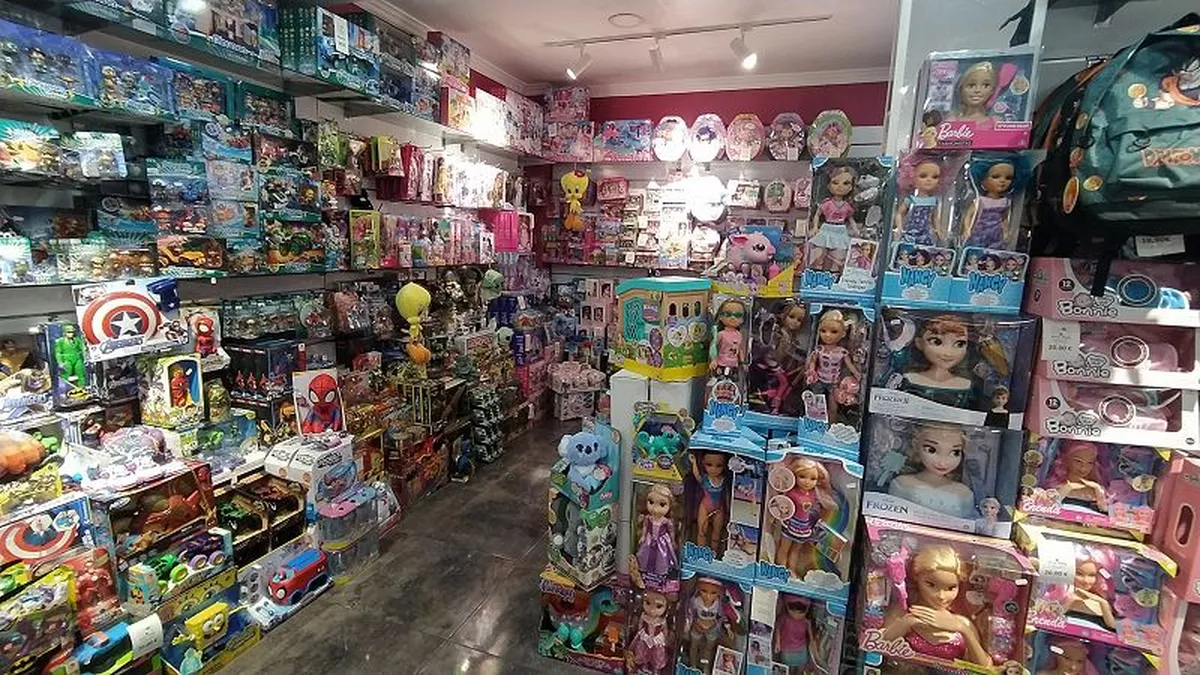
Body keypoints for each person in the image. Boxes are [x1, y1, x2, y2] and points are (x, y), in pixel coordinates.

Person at [882, 545, 990, 666]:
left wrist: (963, 629)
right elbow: (876, 647)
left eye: (951, 588)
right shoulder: (901, 613)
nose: (941, 596)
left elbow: (984, 667)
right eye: (931, 585)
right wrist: (908, 622)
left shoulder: (964, 623)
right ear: (916, 577)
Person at [888, 424, 976, 519]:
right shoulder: (902, 484)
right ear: (916, 446)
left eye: (955, 452)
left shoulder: (964, 493)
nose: (942, 462)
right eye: (931, 450)